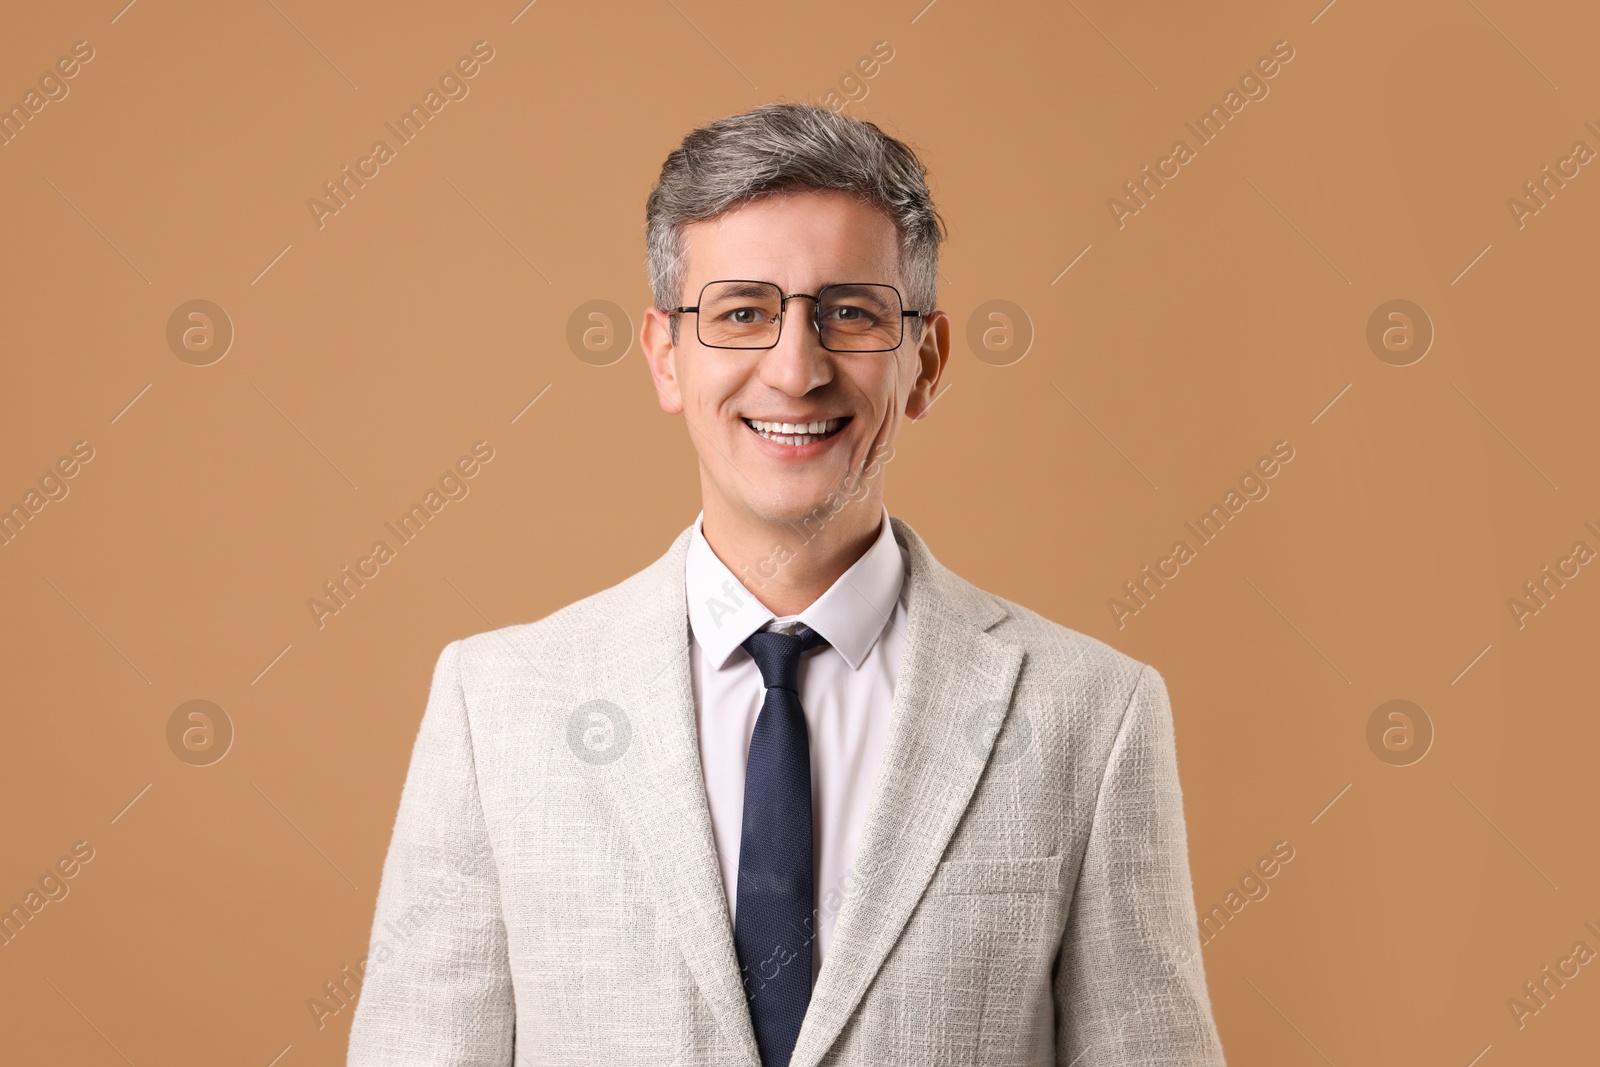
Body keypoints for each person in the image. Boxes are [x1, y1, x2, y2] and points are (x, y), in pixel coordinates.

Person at [347, 102, 1226, 1067]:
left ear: (924, 361)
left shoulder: (1094, 716)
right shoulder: (497, 707)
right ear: (665, 356)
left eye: (849, 312)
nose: (795, 369)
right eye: (741, 313)